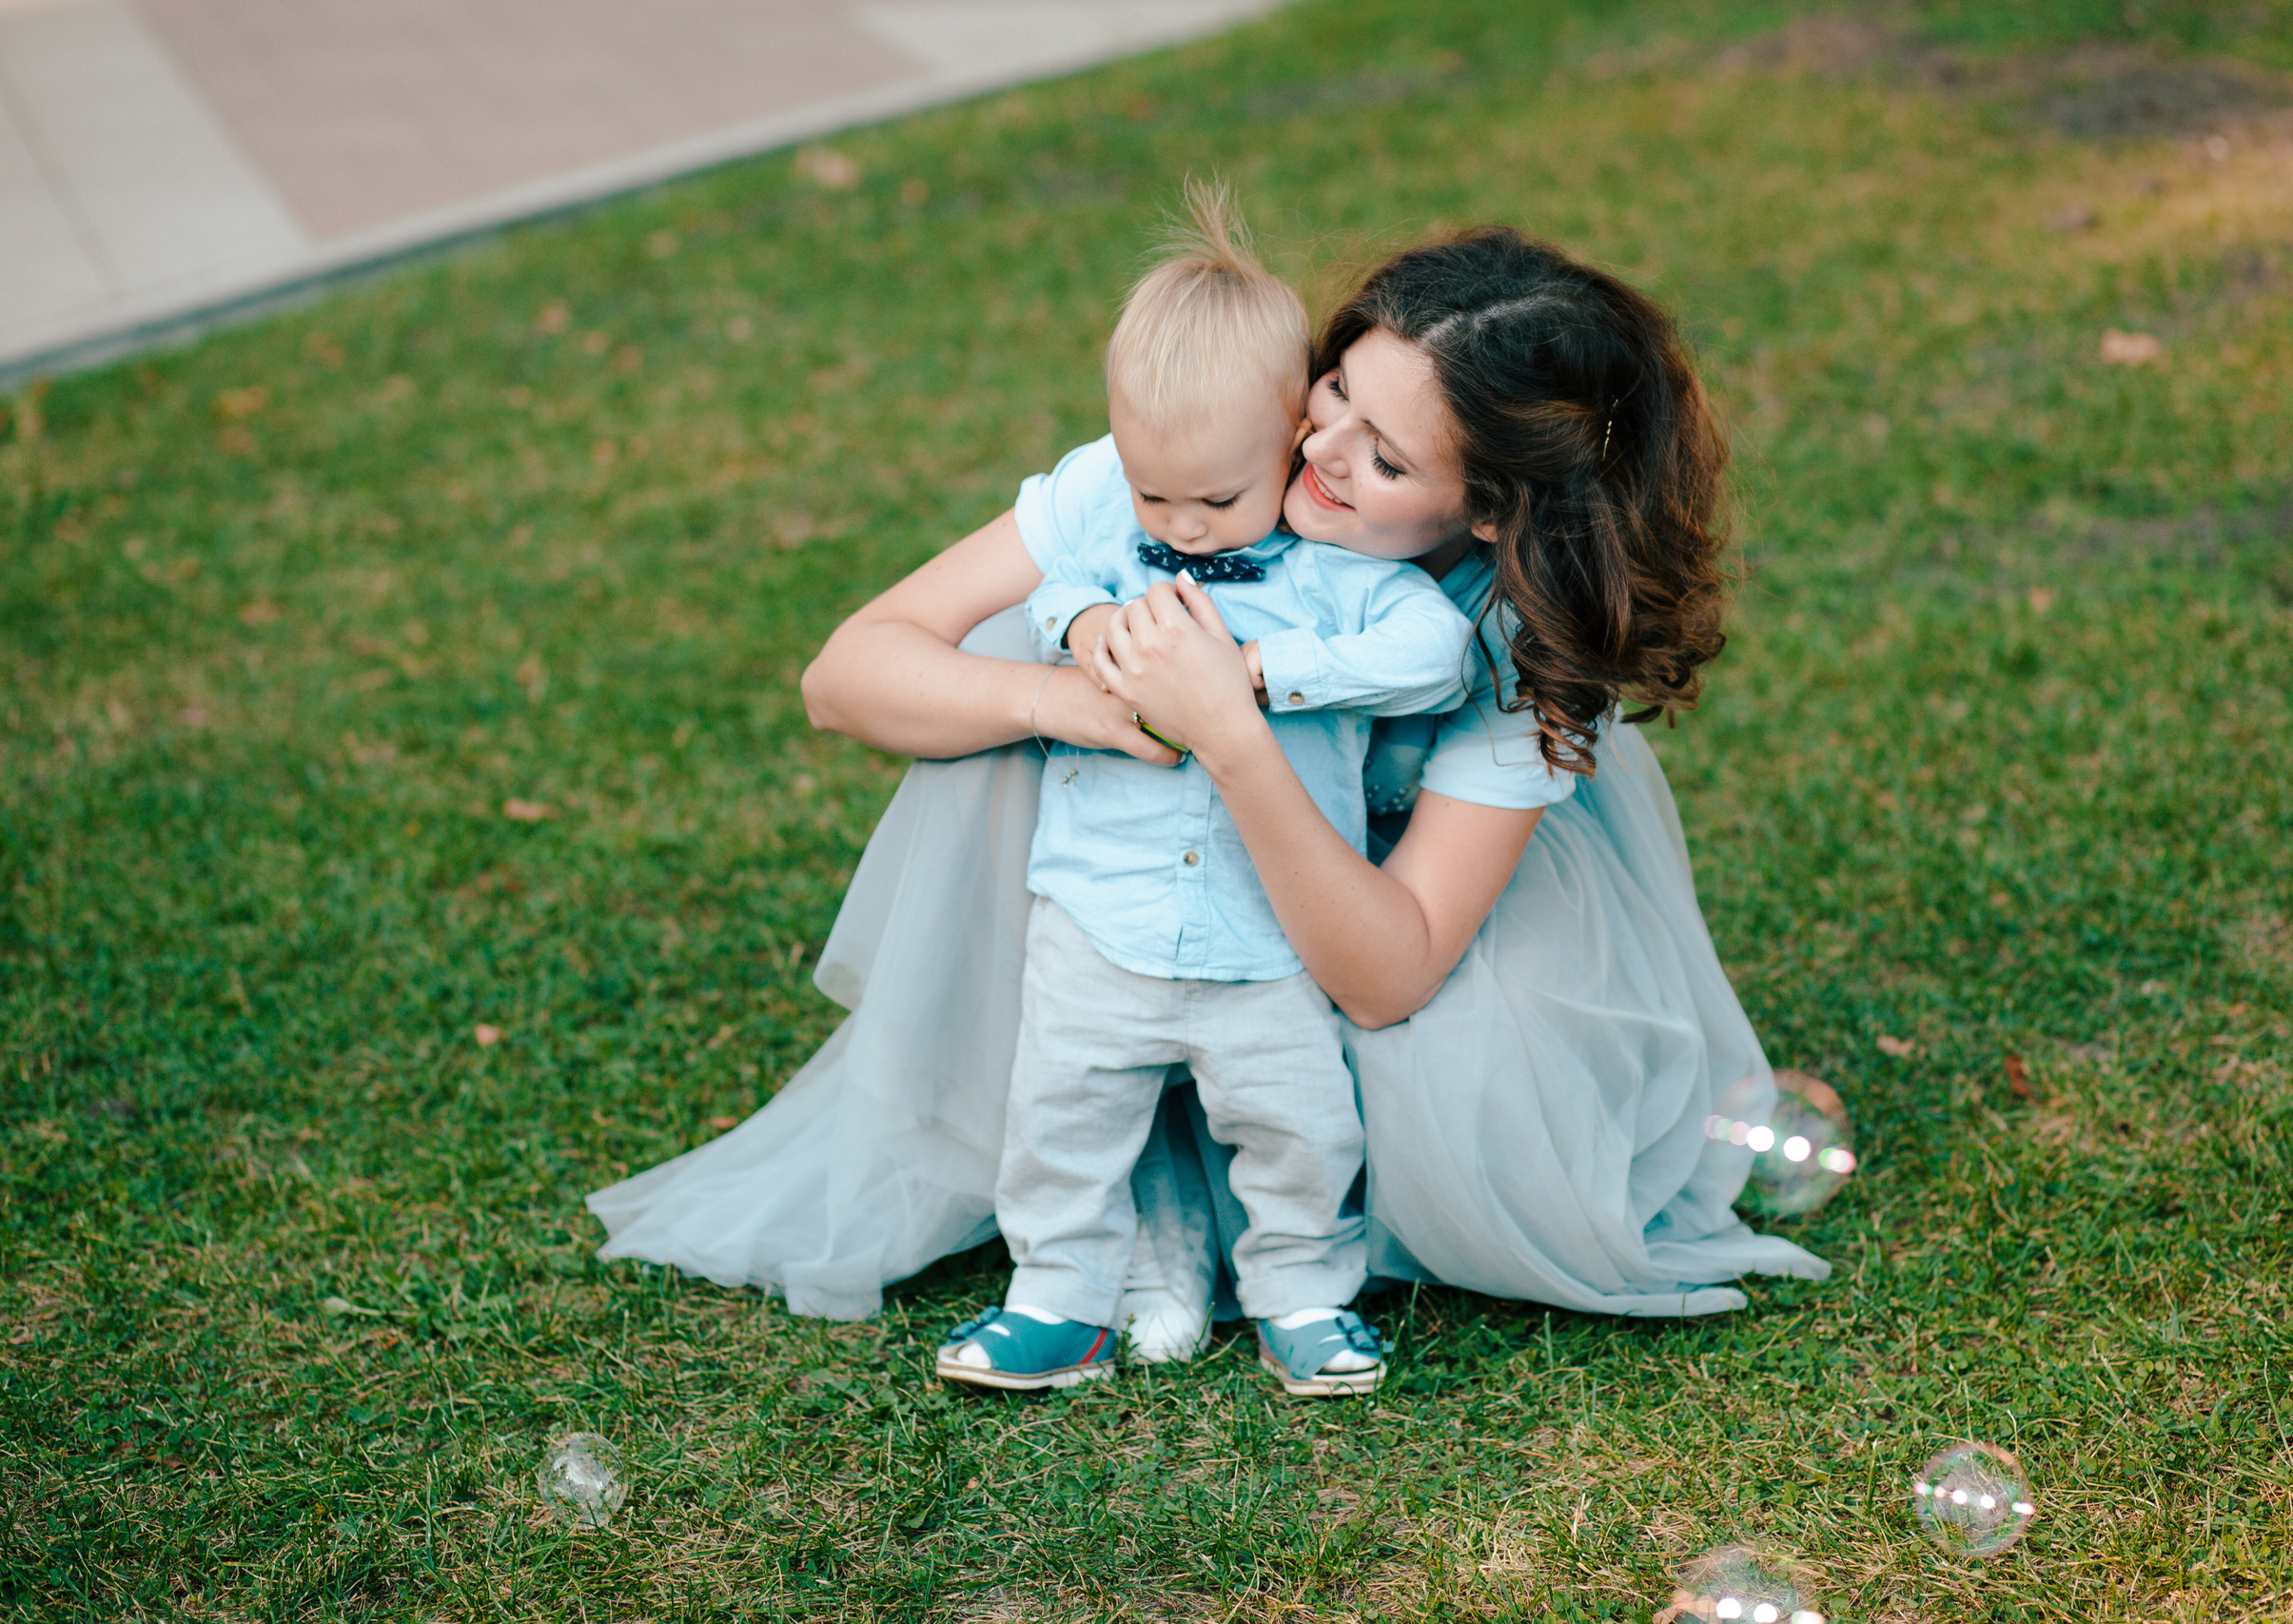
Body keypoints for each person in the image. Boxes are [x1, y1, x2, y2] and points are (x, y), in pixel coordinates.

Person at [585, 223, 1831, 1360]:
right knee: (1013, 661)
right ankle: (1149, 1182)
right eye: (1337, 385)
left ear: (1492, 509)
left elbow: (1386, 970)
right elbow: (843, 676)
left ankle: (1233, 1210)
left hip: (1380, 912)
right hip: (1135, 879)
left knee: (1456, 1073)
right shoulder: (1196, 465)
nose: (1319, 449)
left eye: (1385, 457)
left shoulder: (1520, 652)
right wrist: (1070, 702)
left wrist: (1235, 736)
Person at [936, 192, 1470, 1396]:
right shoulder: (1114, 541)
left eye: (1213, 503)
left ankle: (1305, 1295)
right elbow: (1051, 590)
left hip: (1265, 939)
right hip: (1098, 916)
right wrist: (1080, 627)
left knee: (1296, 1129)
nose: (1177, 529)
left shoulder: (1340, 578)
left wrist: (1260, 674)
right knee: (1058, 1120)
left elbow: (1435, 654)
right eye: (1151, 496)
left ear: (1292, 437)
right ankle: (1056, 1299)